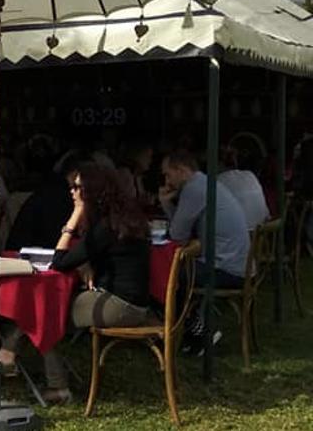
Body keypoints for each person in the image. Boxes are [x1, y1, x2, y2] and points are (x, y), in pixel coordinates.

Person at [37, 163, 152, 402]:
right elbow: (86, 255)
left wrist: (74, 215)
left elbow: (58, 262)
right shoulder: (121, 219)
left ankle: (57, 385)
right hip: (135, 303)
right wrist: (83, 264)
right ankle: (8, 352)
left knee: (45, 312)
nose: (72, 191)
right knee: (49, 307)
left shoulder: (104, 227)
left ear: (93, 191)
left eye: (78, 187)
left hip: (120, 306)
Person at [160, 149, 251, 354]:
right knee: (178, 272)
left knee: (171, 274)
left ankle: (196, 330)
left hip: (226, 269)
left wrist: (165, 203)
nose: (166, 180)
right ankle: (191, 332)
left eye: (167, 174)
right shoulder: (204, 183)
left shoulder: (194, 189)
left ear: (181, 170)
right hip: (237, 264)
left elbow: (178, 235)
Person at [219, 148, 269, 229]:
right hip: (260, 237)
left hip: (235, 238)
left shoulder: (218, 181)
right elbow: (266, 215)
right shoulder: (250, 175)